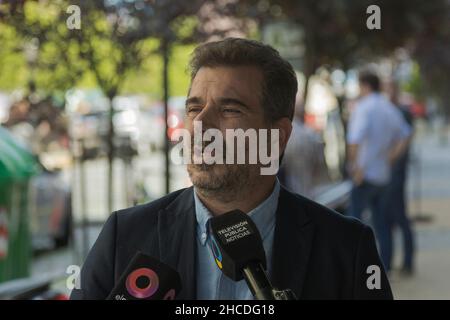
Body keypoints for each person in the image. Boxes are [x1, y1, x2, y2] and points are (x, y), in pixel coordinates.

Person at [71, 39, 392, 300]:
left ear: (277, 136)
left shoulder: (345, 248)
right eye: (194, 107)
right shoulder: (123, 238)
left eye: (229, 109)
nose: (200, 125)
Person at [346, 72, 412, 273]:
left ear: (364, 85)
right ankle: (385, 267)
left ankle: (353, 269)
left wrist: (354, 167)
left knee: (353, 224)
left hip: (364, 174)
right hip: (383, 174)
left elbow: (355, 140)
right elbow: (406, 134)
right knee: (383, 224)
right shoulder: (388, 108)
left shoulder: (364, 108)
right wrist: (392, 156)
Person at [384, 81, 415, 275]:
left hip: (396, 173)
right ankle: (392, 262)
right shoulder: (392, 111)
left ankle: (407, 261)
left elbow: (406, 138)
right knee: (389, 217)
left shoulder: (400, 112)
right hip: (391, 173)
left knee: (399, 216)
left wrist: (390, 159)